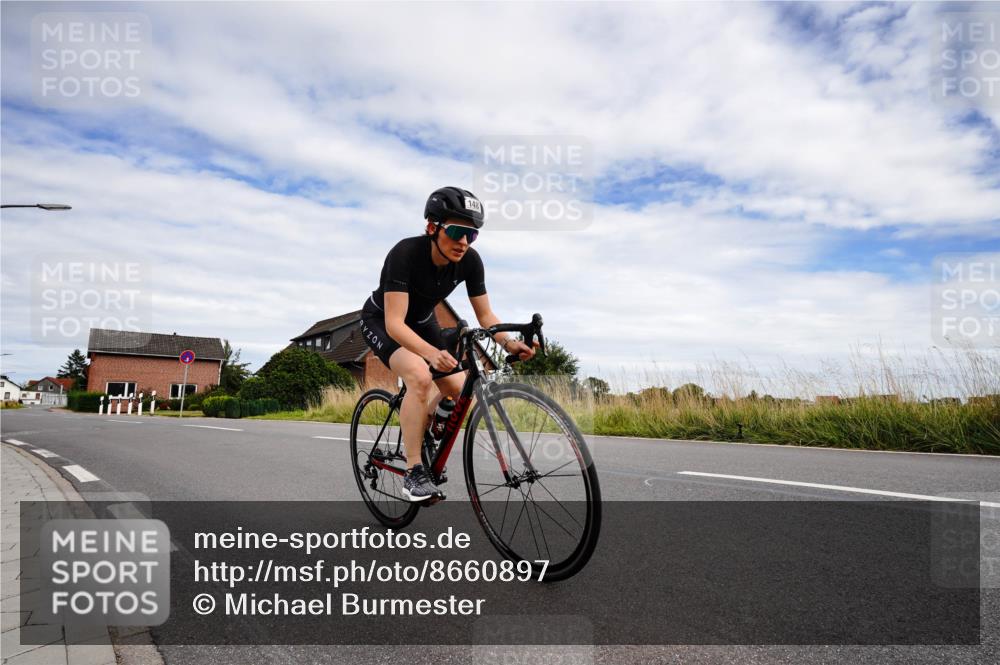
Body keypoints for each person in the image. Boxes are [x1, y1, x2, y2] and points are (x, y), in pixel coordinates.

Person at [360, 186, 537, 502]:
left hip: (424, 322)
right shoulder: (405, 254)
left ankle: (422, 421)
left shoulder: (470, 261)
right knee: (419, 375)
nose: (464, 242)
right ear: (432, 227)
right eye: (456, 232)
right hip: (383, 320)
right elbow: (395, 324)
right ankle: (414, 471)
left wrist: (509, 343)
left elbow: (486, 316)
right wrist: (429, 353)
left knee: (458, 388)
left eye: (472, 235)